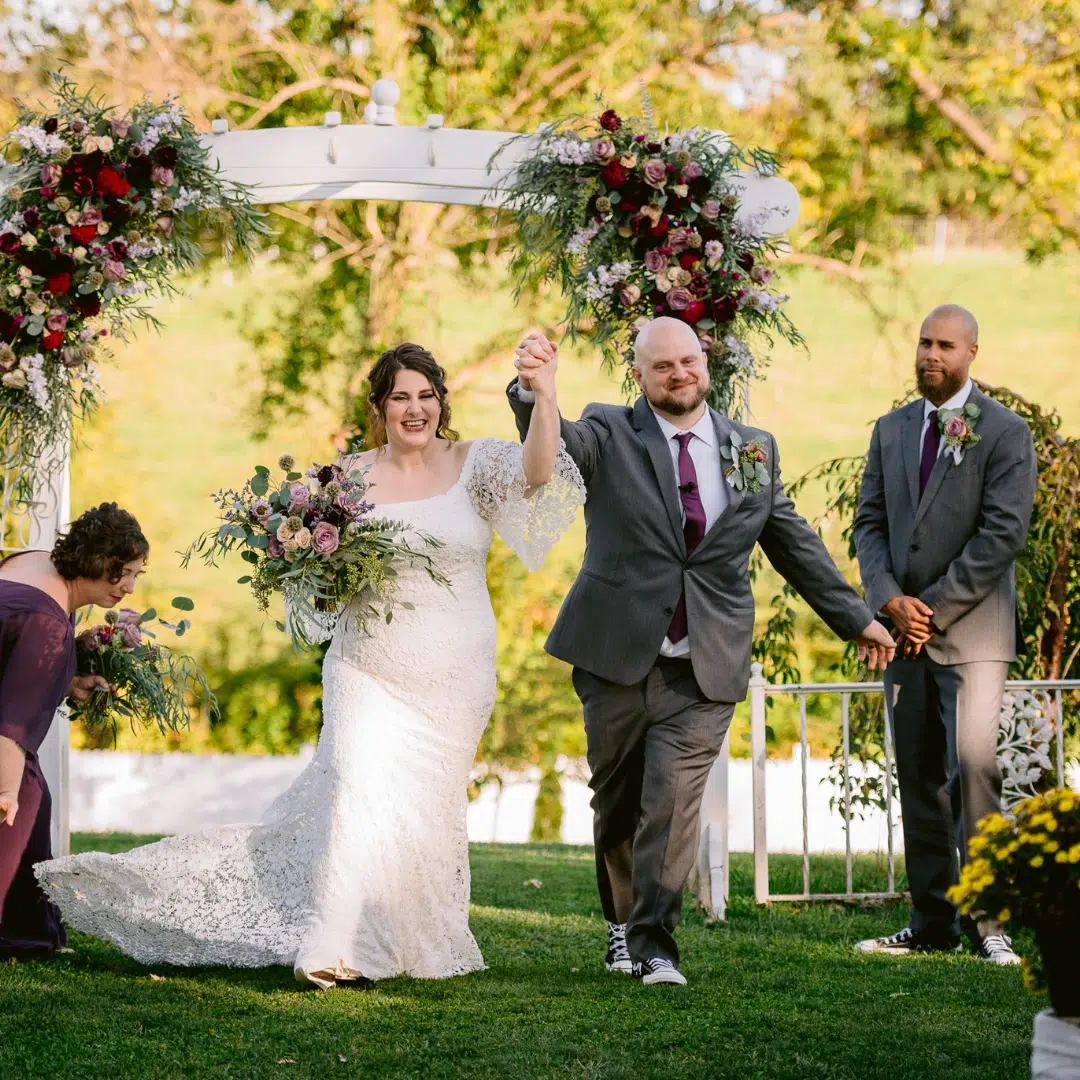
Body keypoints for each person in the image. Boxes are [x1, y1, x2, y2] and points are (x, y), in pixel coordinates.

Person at [38, 341, 584, 988]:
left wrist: (544, 392)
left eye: (426, 396)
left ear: (442, 402)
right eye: (400, 397)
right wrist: (309, 567)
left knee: (422, 810)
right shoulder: (344, 481)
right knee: (355, 793)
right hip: (367, 668)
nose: (415, 409)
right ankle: (335, 947)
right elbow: (315, 581)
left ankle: (402, 938)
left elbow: (540, 473)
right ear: (379, 409)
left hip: (455, 675)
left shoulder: (477, 461)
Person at [509, 317, 895, 986]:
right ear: (641, 375)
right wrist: (534, 392)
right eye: (663, 366)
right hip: (614, 653)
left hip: (706, 659)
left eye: (688, 360)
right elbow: (557, 448)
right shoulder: (608, 430)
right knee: (617, 801)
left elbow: (793, 543)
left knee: (673, 802)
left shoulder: (752, 448)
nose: (678, 373)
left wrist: (857, 619)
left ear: (705, 363)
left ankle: (654, 944)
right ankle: (620, 922)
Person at [852, 304, 1037, 964]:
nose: (932, 354)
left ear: (971, 354)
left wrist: (928, 608)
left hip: (973, 641)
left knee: (973, 774)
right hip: (904, 639)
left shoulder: (1004, 433)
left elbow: (1001, 537)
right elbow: (868, 526)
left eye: (946, 345)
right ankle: (931, 923)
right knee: (919, 778)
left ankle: (990, 927)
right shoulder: (891, 429)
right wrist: (888, 601)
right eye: (924, 341)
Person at [0, 502, 147, 958]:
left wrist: (67, 678)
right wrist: (4, 791)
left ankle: (25, 931)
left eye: (137, 574)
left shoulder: (27, 561)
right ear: (97, 561)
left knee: (35, 796)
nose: (129, 586)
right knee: (22, 798)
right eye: (123, 572)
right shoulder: (47, 622)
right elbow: (11, 727)